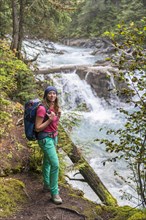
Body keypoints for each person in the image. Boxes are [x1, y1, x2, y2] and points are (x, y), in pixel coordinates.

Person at [35, 85, 62, 204]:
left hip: (53, 137)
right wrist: (50, 120)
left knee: (47, 162)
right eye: (50, 93)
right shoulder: (42, 109)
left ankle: (47, 184)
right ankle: (54, 193)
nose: (52, 95)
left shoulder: (55, 107)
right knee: (55, 165)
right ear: (46, 95)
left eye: (54, 93)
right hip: (45, 139)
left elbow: (55, 124)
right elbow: (37, 128)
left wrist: (58, 116)